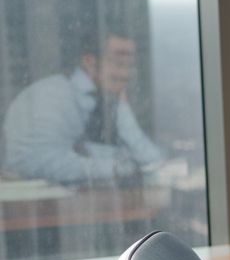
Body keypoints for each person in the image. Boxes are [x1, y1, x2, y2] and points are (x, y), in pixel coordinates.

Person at [1, 29, 162, 185]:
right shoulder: (53, 96)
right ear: (89, 62)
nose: (126, 74)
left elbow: (152, 161)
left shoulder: (98, 98)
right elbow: (39, 165)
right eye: (119, 63)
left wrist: (122, 105)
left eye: (130, 65)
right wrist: (121, 166)